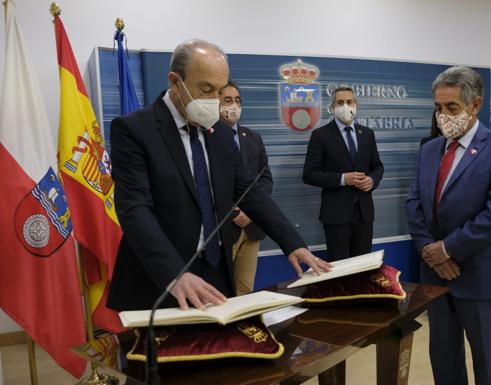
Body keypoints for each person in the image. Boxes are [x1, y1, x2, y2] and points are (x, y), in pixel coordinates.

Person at [107, 39, 330, 311]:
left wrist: (293, 243)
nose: (215, 102)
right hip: (159, 280)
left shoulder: (221, 134)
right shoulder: (134, 131)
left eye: (220, 91)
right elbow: (134, 210)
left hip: (215, 273)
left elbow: (250, 192)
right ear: (175, 82)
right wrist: (174, 274)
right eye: (205, 89)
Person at [405, 66, 491, 385]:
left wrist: (447, 249)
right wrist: (431, 253)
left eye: (452, 107)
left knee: (486, 359)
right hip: (435, 275)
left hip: (478, 272)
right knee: (443, 357)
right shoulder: (429, 149)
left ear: (476, 104)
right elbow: (414, 204)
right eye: (438, 108)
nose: (443, 115)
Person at [302, 86, 384, 261]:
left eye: (349, 102)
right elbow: (309, 174)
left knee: (363, 267)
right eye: (340, 102)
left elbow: (378, 167)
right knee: (338, 267)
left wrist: (371, 180)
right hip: (336, 215)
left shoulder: (367, 134)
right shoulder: (320, 135)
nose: (345, 106)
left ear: (356, 104)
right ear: (332, 107)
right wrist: (342, 179)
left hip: (364, 214)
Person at [219, 80, 272, 295]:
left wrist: (251, 211)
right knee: (220, 290)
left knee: (245, 290)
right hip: (223, 228)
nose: (234, 105)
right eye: (228, 100)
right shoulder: (205, 137)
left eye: (237, 100)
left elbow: (265, 179)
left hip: (252, 228)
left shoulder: (253, 138)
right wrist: (233, 212)